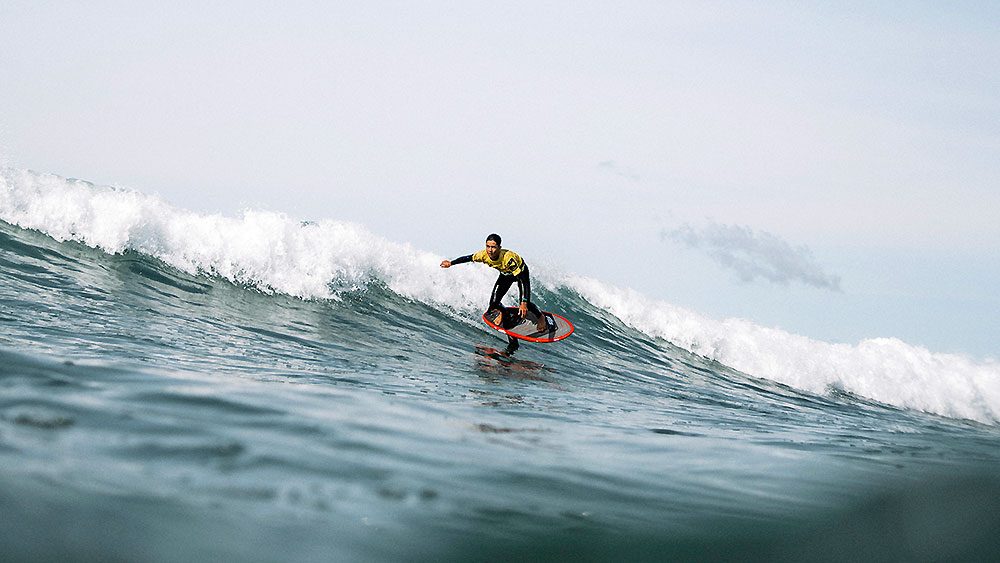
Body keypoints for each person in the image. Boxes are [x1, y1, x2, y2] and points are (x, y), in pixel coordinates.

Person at [441, 234, 547, 351]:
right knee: (493, 305)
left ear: (499, 247)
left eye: (493, 247)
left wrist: (524, 302)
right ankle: (507, 323)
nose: (490, 250)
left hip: (521, 274)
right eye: (488, 246)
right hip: (505, 274)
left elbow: (523, 282)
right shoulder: (483, 255)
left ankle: (540, 316)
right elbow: (468, 258)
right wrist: (451, 263)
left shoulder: (508, 258)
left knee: (523, 303)